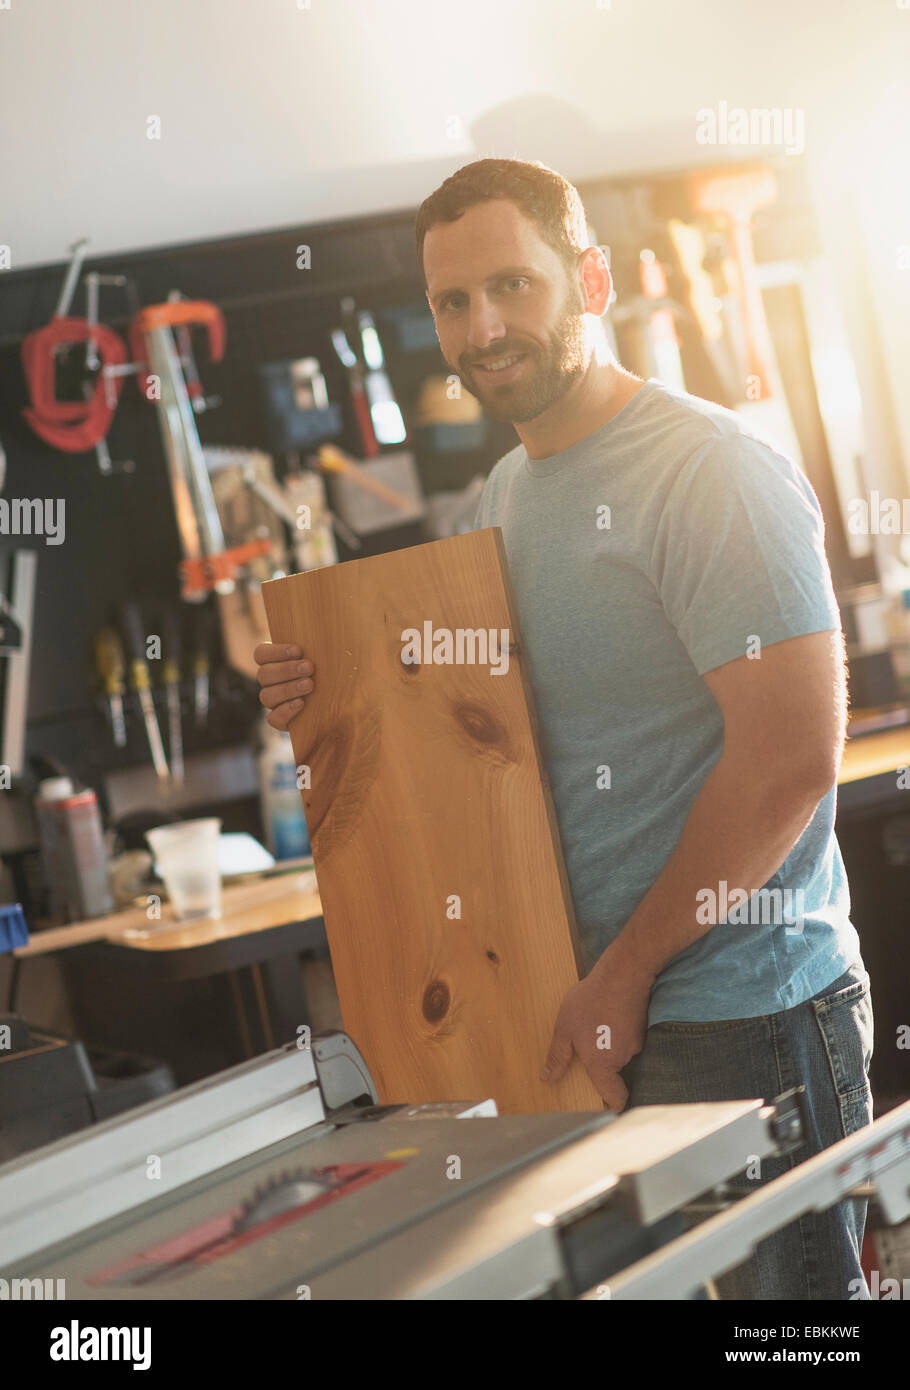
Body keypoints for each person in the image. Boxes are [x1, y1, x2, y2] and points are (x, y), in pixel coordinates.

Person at [255, 158, 873, 1300]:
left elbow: (790, 759)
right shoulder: (504, 495)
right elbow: (483, 736)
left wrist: (626, 974)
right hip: (585, 1018)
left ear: (587, 277)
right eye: (451, 303)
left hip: (743, 1013)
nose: (483, 328)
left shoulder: (710, 472)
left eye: (511, 286)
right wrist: (326, 692)